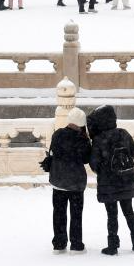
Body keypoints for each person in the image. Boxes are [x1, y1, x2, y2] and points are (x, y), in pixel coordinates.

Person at [88, 105, 134, 255]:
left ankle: (112, 246)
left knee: (112, 215)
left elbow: (94, 164)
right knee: (129, 212)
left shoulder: (99, 139)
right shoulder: (123, 133)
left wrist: (105, 170)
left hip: (108, 183)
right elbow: (132, 152)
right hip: (126, 180)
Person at [46, 107, 91, 254]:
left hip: (58, 181)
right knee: (76, 214)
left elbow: (53, 152)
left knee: (58, 213)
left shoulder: (57, 134)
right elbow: (86, 159)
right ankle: (76, 244)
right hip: (76, 183)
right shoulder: (82, 139)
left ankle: (59, 244)